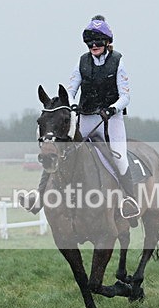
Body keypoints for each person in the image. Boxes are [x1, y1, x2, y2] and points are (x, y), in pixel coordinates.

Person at [22, 15, 141, 222]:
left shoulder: (117, 62)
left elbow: (126, 96)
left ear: (106, 42)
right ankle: (39, 197)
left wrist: (112, 109)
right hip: (86, 118)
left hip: (110, 120)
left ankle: (129, 202)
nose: (93, 46)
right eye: (90, 42)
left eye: (97, 42)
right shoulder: (82, 62)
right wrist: (66, 103)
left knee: (119, 158)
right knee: (60, 149)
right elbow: (71, 87)